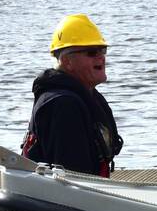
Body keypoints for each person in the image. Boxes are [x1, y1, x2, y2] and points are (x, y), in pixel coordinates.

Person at [23, 14, 123, 177]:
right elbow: (73, 179)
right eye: (91, 52)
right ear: (67, 61)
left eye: (102, 50)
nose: (101, 57)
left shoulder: (86, 95)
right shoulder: (63, 105)